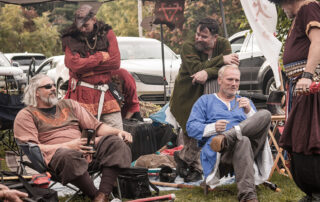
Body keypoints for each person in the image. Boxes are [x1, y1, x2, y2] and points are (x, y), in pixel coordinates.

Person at [14, 74, 132, 202]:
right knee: (68, 155)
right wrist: (69, 146)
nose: (53, 88)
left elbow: (96, 126)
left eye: (54, 85)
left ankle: (102, 195)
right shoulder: (26, 115)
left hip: (87, 149)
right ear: (36, 92)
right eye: (48, 86)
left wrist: (118, 132)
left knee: (116, 143)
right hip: (58, 158)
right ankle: (94, 195)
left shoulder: (69, 104)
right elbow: (34, 148)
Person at [187, 65, 272, 202]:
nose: (234, 84)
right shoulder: (205, 101)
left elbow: (260, 129)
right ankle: (248, 196)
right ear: (219, 80)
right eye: (230, 79)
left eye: (237, 80)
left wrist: (249, 111)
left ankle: (229, 135)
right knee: (242, 140)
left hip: (247, 152)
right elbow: (191, 127)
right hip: (220, 154)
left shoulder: (245, 102)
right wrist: (213, 127)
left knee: (265, 114)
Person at [170, 17, 239, 182]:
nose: (198, 39)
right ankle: (195, 168)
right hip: (186, 97)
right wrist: (221, 60)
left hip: (212, 96)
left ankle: (186, 160)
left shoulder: (223, 45)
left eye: (204, 36)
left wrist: (207, 73)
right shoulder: (188, 46)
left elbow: (230, 69)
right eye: (197, 34)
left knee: (208, 130)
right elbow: (195, 69)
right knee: (192, 132)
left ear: (215, 38)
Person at [267, 0, 320, 201]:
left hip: (310, 89)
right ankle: (311, 192)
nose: (281, 9)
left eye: (281, 4)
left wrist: (307, 75)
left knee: (309, 140)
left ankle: (317, 192)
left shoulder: (309, 7)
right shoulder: (302, 14)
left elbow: (318, 41)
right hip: (300, 89)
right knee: (299, 139)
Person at [61, 4, 124, 129]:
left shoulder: (107, 33)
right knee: (84, 138)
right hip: (81, 94)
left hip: (105, 93)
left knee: (117, 135)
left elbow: (115, 62)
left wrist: (87, 68)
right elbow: (75, 65)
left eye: (86, 25)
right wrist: (100, 57)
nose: (83, 29)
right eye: (80, 26)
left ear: (94, 20)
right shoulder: (70, 38)